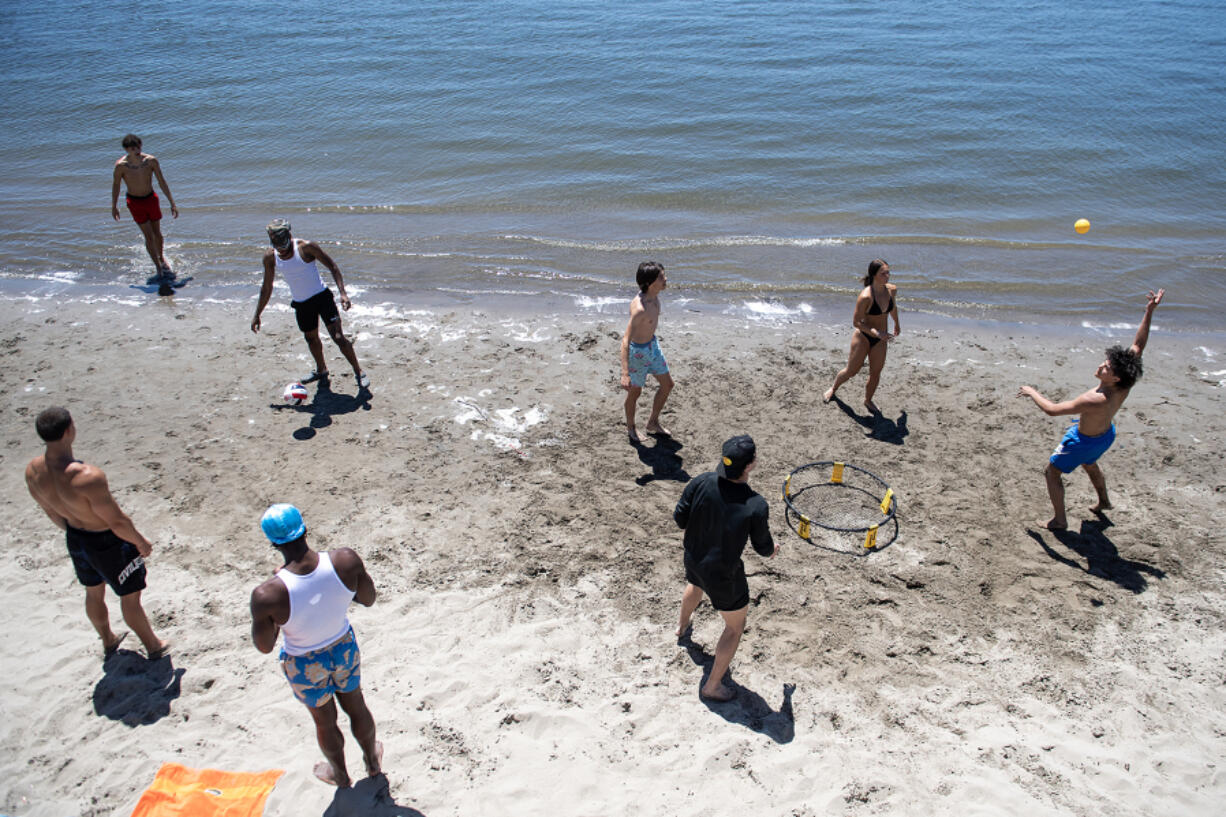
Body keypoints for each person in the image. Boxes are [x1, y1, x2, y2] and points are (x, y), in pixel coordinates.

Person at [250, 504, 383, 788]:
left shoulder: (267, 594)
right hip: (342, 647)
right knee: (357, 707)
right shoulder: (345, 561)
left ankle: (341, 776)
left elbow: (264, 645)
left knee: (325, 722)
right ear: (304, 529)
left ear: (272, 542)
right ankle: (372, 763)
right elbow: (368, 598)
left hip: (303, 662)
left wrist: (278, 614)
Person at [24, 407, 170, 660]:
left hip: (75, 537)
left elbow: (51, 512)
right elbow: (117, 521)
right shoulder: (86, 477)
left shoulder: (34, 471)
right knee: (130, 597)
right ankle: (154, 645)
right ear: (70, 430)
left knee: (93, 591)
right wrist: (140, 542)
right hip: (106, 541)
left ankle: (108, 640)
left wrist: (76, 532)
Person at [1018, 289, 1164, 530]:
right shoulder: (1124, 384)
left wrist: (1032, 391)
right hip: (1105, 436)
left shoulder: (1095, 398)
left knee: (1052, 472)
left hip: (1083, 440)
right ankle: (1104, 501)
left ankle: (1059, 520)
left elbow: (1053, 410)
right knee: (1090, 463)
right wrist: (1149, 311)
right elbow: (1139, 344)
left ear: (1115, 378)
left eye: (1106, 367)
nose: (1101, 366)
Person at [675, 435, 777, 702]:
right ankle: (712, 685)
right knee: (734, 627)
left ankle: (682, 628)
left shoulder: (700, 481)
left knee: (695, 586)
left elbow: (679, 519)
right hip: (723, 576)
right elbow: (763, 548)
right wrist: (774, 550)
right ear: (751, 465)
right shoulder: (756, 505)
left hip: (694, 559)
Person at [250, 219, 370, 390]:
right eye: (278, 247)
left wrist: (343, 293)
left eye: (284, 245)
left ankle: (359, 371)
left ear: (289, 235)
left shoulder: (306, 247)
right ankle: (321, 370)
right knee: (311, 338)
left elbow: (333, 267)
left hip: (322, 298)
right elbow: (266, 288)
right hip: (301, 304)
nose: (282, 251)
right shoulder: (270, 257)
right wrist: (257, 314)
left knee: (338, 338)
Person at [823, 259, 901, 413]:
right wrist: (876, 332)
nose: (888, 276)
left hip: (880, 340)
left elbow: (893, 308)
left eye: (888, 272)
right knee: (852, 370)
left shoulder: (891, 290)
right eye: (883, 273)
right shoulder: (866, 296)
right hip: (864, 337)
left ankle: (868, 400)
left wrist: (897, 323)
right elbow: (856, 322)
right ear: (874, 275)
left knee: (876, 372)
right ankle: (833, 388)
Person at [111, 134, 179, 280]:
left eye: (139, 147)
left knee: (157, 233)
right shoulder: (121, 166)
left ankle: (161, 258)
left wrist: (172, 202)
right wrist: (114, 206)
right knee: (148, 236)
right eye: (133, 148)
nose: (137, 151)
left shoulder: (150, 161)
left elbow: (161, 181)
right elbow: (116, 185)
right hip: (134, 202)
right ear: (126, 149)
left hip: (150, 199)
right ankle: (157, 267)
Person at [620, 261, 674, 442]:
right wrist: (625, 373)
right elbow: (625, 341)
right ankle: (631, 428)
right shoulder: (639, 309)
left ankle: (652, 422)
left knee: (668, 385)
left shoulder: (655, 296)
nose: (665, 279)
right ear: (650, 282)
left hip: (653, 346)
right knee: (635, 392)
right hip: (638, 353)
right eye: (661, 277)